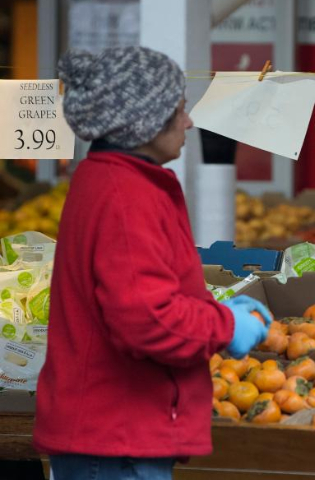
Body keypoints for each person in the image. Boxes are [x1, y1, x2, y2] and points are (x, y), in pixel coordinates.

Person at [32, 46, 270, 480]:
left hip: (108, 435)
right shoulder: (126, 196)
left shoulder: (107, 179)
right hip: (115, 441)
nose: (189, 122)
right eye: (179, 109)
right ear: (144, 120)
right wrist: (227, 326)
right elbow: (148, 319)